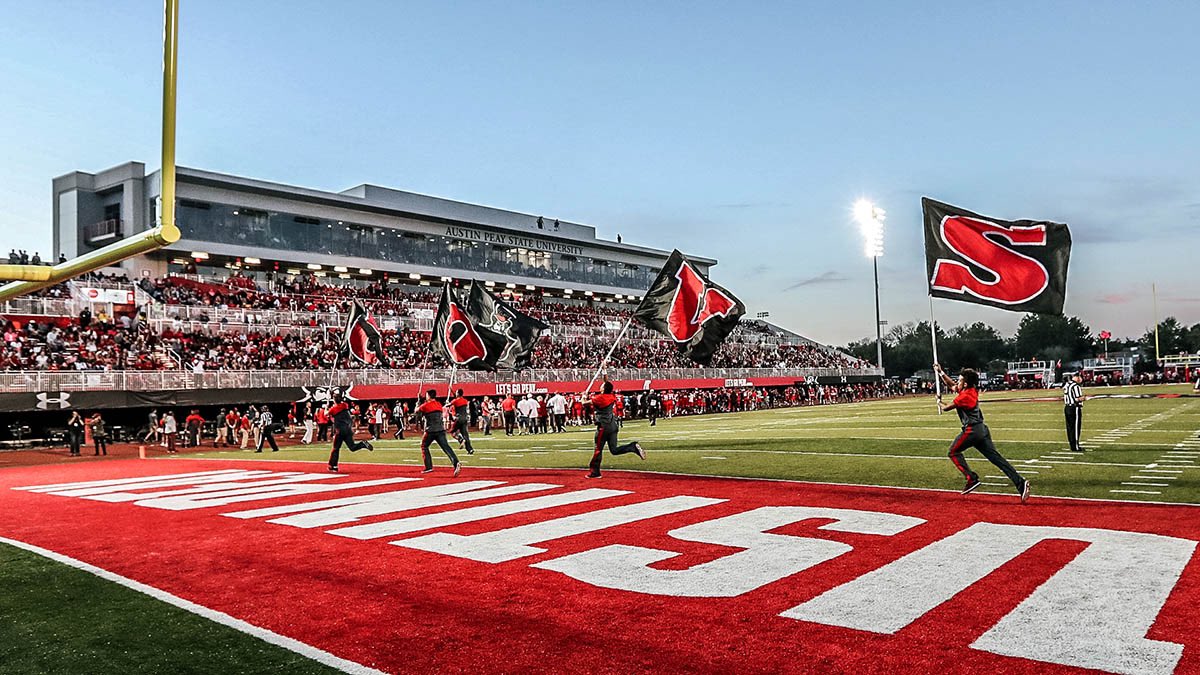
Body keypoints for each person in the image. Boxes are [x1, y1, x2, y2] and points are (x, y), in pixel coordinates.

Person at [935, 364, 1030, 503]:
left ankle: (971, 478)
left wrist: (938, 401)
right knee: (997, 459)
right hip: (982, 429)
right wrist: (941, 372)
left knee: (953, 452)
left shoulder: (964, 396)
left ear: (965, 383)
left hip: (972, 431)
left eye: (960, 380)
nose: (957, 382)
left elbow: (946, 408)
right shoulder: (971, 390)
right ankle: (1020, 483)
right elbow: (952, 385)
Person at [587, 381, 645, 478]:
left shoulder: (600, 398)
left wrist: (583, 397)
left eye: (601, 386)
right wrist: (604, 371)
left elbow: (584, 403)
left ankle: (595, 472)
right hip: (613, 425)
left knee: (598, 449)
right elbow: (606, 382)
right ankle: (632, 447)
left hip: (603, 427)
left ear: (604, 389)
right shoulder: (611, 396)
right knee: (614, 450)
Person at [412, 389, 461, 476]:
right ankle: (456, 462)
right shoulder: (438, 404)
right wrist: (421, 399)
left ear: (429, 396)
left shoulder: (426, 405)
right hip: (440, 429)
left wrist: (418, 402)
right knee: (446, 447)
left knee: (424, 446)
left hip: (430, 430)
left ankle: (428, 466)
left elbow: (417, 411)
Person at [327, 392, 373, 472]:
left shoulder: (333, 409)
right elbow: (338, 405)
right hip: (348, 430)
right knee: (352, 447)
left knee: (335, 448)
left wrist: (326, 407)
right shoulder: (345, 405)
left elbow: (326, 414)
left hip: (340, 431)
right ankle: (363, 444)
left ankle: (333, 465)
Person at [1063, 373, 1086, 452]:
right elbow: (1077, 398)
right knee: (1075, 428)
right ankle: (1075, 446)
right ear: (1077, 377)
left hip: (1067, 407)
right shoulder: (1076, 386)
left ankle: (1072, 444)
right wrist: (1084, 398)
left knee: (1070, 428)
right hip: (1074, 408)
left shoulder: (1067, 384)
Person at [448, 389, 475, 455]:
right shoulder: (465, 401)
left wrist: (446, 403)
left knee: (452, 431)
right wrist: (452, 390)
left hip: (458, 418)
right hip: (465, 418)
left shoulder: (455, 401)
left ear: (458, 394)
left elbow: (449, 405)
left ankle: (460, 439)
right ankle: (470, 449)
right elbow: (457, 398)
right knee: (465, 435)